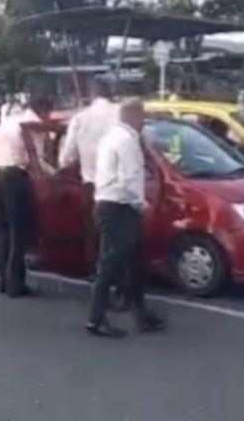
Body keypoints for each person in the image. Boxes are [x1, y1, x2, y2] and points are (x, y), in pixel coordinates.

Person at [86, 99, 166, 338]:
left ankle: (141, 313)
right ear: (133, 115)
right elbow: (129, 178)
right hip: (119, 206)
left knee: (135, 262)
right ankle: (96, 319)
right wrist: (141, 205)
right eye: (142, 116)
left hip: (111, 205)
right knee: (111, 264)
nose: (144, 122)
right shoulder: (127, 140)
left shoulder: (111, 137)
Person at [0, 95, 53, 298]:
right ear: (43, 110)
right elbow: (38, 161)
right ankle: (16, 284)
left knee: (4, 231)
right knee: (19, 233)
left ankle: (4, 281)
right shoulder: (32, 125)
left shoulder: (9, 121)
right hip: (15, 179)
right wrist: (55, 174)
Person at [59, 80, 120, 263]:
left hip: (90, 183)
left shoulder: (80, 118)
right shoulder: (120, 114)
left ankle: (95, 272)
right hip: (116, 182)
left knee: (93, 231)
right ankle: (116, 275)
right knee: (116, 233)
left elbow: (66, 157)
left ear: (92, 95)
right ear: (109, 93)